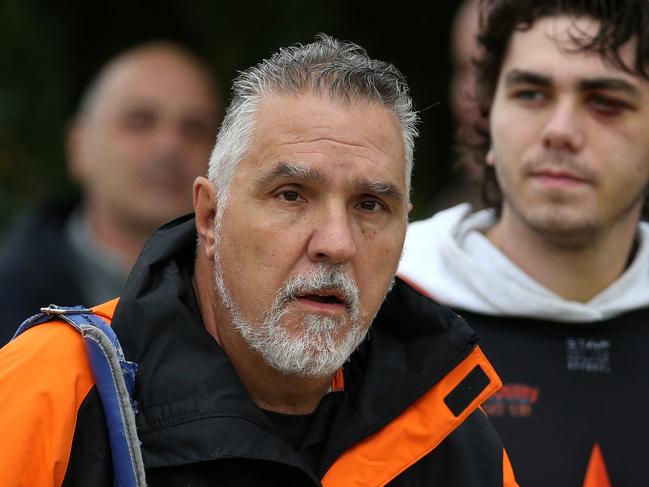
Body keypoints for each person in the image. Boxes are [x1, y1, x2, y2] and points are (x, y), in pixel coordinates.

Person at [0, 35, 518, 486]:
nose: (336, 243)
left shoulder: (447, 429)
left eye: (369, 205)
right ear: (209, 215)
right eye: (292, 195)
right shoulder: (51, 389)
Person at [399, 0, 649, 485]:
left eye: (605, 102)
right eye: (532, 94)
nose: (560, 131)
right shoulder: (382, 293)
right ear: (487, 117)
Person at [0, 41, 220, 345]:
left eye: (193, 129)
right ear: (79, 147)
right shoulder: (9, 294)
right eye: (140, 122)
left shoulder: (244, 305)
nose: (169, 145)